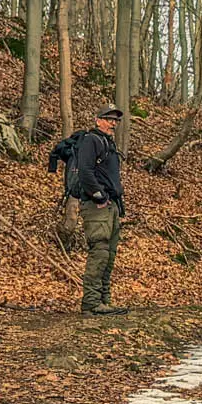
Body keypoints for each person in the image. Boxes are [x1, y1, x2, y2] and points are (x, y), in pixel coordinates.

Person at [48, 107, 127, 315]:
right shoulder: (92, 140)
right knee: (99, 252)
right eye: (109, 120)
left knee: (109, 255)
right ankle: (91, 303)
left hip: (111, 206)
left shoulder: (107, 142)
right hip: (97, 206)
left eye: (115, 121)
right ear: (98, 120)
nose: (113, 124)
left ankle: (104, 301)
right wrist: (98, 195)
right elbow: (85, 171)